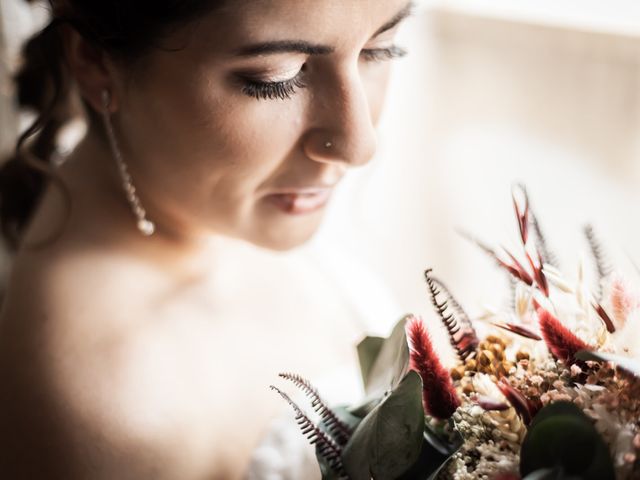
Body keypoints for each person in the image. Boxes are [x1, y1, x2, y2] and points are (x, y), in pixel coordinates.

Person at [0, 0, 414, 478]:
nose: (359, 143)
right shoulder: (114, 412)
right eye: (274, 78)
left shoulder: (233, 197)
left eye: (379, 51)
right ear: (93, 62)